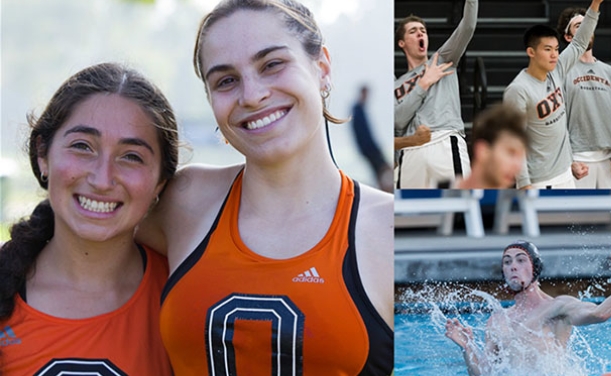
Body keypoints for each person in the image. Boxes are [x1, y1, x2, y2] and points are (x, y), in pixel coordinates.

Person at [135, 0, 393, 374]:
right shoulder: (185, 201)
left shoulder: (385, 229)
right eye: (225, 81)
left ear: (321, 68)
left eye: (272, 65)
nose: (252, 95)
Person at [0, 63, 178, 374]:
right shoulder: (6, 286)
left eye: (131, 156)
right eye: (82, 147)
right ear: (43, 155)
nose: (102, 179)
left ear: (160, 183)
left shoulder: (185, 296)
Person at [445, 240, 611, 375]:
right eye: (507, 262)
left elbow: (600, 313)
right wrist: (467, 348)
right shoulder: (497, 320)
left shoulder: (557, 306)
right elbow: (484, 372)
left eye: (521, 260)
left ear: (536, 267)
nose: (513, 266)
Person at [503, 0, 603, 189]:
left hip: (565, 172)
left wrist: (596, 4)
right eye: (547, 50)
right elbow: (514, 140)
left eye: (556, 49)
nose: (554, 55)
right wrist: (524, 183)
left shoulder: (557, 70)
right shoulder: (518, 89)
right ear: (531, 52)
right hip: (540, 180)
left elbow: (580, 42)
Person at [394, 0, 478, 189]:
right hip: (410, 151)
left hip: (444, 141)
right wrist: (423, 85)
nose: (420, 33)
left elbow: (468, 26)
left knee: (459, 207)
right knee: (409, 214)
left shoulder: (442, 59)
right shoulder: (395, 85)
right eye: (413, 31)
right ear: (402, 43)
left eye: (423, 30)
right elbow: (398, 120)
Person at [557, 7, 611, 189]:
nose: (586, 29)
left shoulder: (610, 72)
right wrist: (569, 160)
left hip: (610, 162)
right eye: (579, 26)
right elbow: (558, 122)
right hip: (579, 161)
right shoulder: (561, 71)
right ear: (568, 37)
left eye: (589, 25)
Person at [455, 104, 528, 188]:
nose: (517, 166)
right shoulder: (440, 195)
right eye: (511, 153)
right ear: (482, 151)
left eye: (520, 157)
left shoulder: (514, 200)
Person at [351, 85, 393, 192]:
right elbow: (362, 133)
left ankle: (384, 190)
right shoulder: (357, 110)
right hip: (368, 147)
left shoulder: (360, 109)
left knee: (382, 170)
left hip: (369, 147)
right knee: (384, 168)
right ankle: (385, 191)